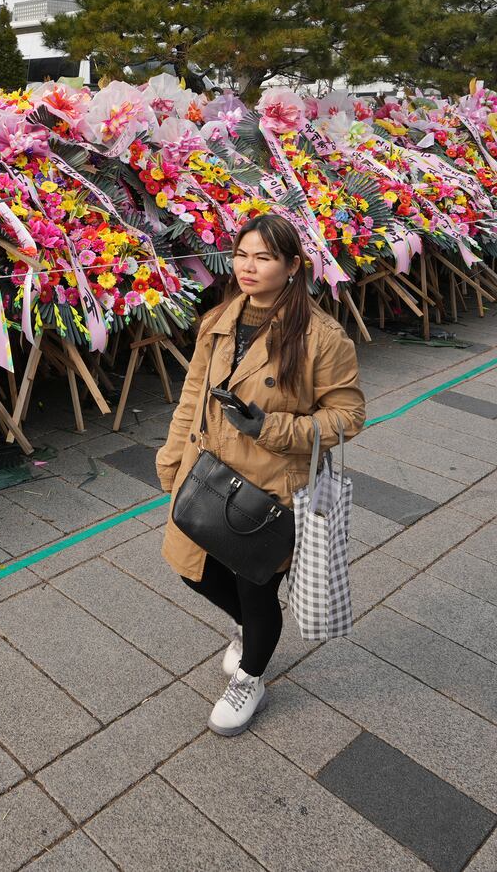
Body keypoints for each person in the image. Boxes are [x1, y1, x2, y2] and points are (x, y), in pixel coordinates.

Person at [156, 213, 365, 735]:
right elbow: (193, 395)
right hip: (207, 470)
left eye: (264, 257)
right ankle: (248, 633)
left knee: (255, 589)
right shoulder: (222, 318)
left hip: (272, 485)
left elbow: (347, 415)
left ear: (293, 265)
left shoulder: (321, 336)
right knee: (190, 567)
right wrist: (172, 452)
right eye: (242, 254)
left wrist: (270, 426)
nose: (248, 267)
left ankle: (252, 674)